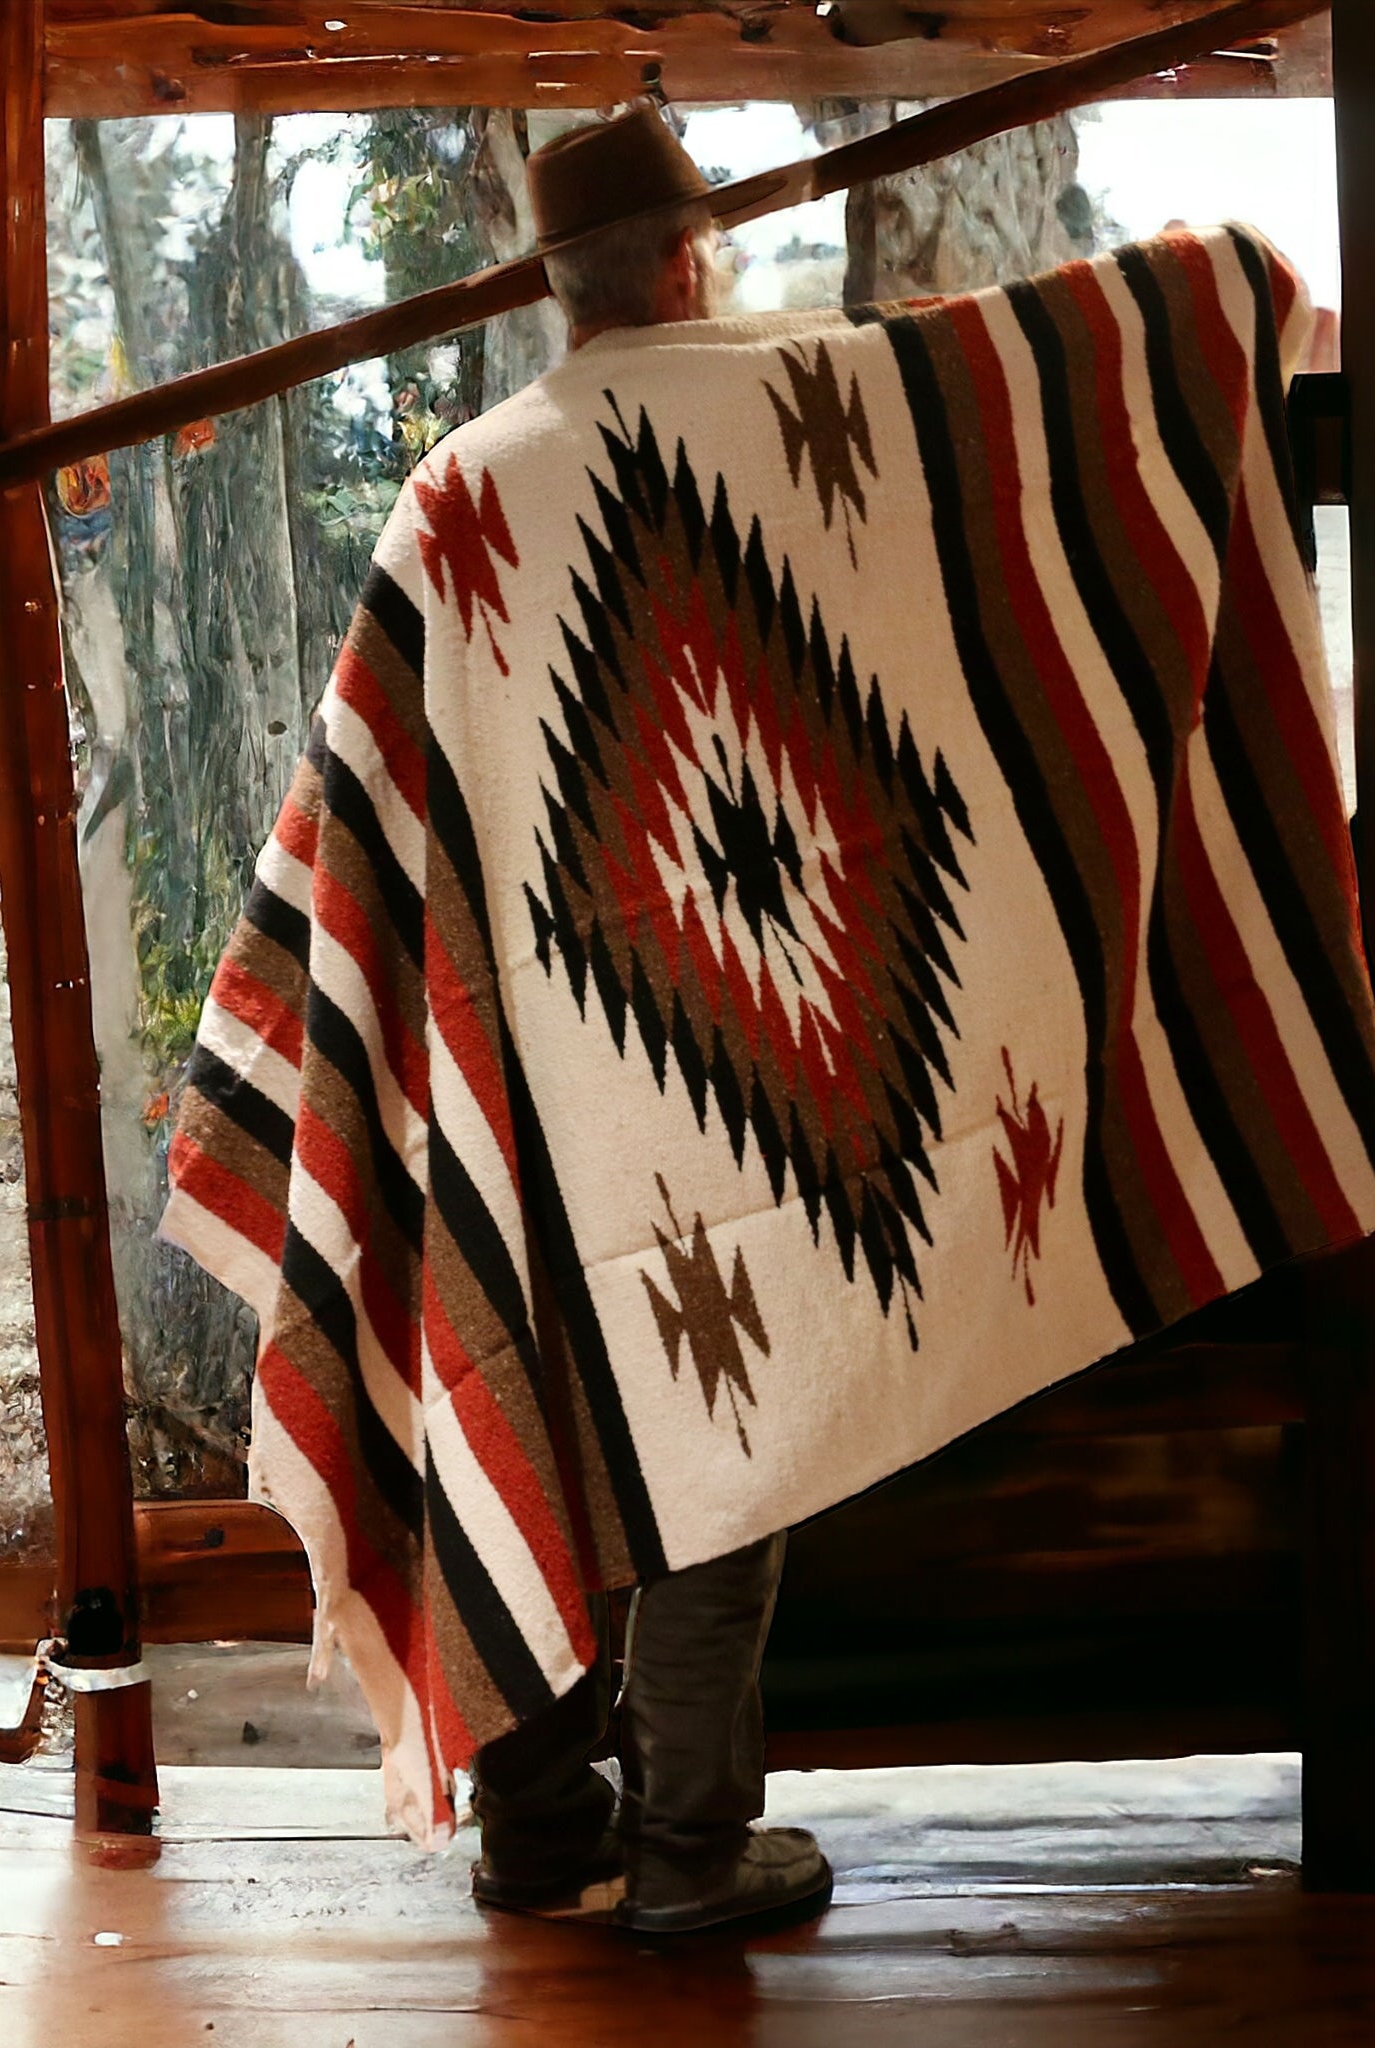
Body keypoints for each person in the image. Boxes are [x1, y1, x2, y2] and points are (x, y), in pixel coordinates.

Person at [461, 106, 832, 1938]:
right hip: (729, 1042)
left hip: (518, 1062)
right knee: (719, 1434)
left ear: (559, 283)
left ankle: (538, 1829)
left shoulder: (463, 480)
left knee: (518, 1416)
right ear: (689, 258)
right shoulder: (771, 423)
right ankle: (688, 1854)